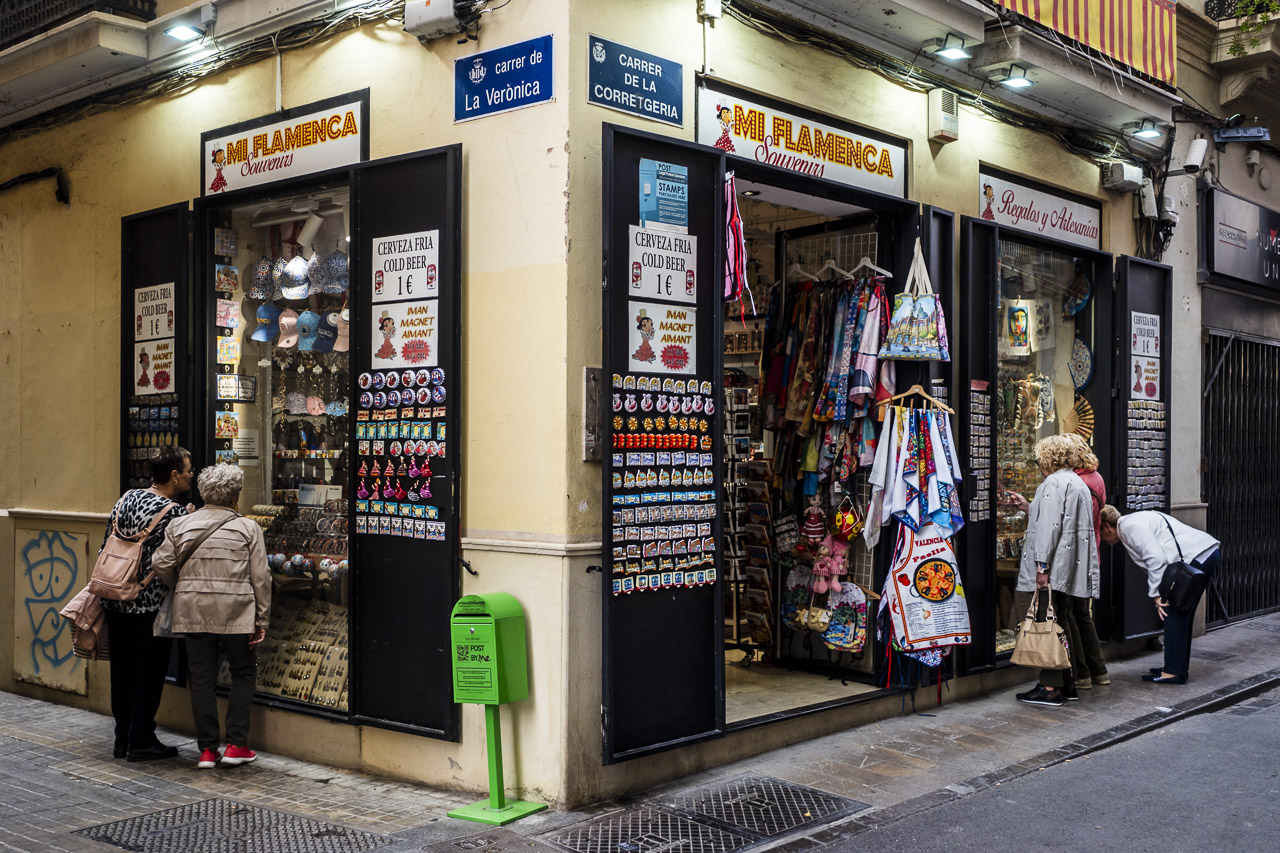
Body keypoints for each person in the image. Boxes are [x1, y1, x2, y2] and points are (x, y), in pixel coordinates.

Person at [153, 463, 271, 769]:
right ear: (235, 496)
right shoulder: (248, 528)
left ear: (203, 491)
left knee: (202, 677)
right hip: (236, 612)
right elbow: (261, 579)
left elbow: (161, 564)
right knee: (243, 672)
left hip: (193, 609)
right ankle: (236, 745)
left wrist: (183, 586)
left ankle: (207, 750)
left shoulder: (181, 525)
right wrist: (262, 619)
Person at [100, 445, 192, 760]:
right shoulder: (175, 512)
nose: (191, 475)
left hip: (114, 599)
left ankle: (121, 738)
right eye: (188, 470)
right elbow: (177, 557)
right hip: (147, 605)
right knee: (148, 673)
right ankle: (141, 739)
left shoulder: (125, 498)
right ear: (175, 475)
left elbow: (107, 542)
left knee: (121, 671)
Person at [1009, 435, 1098, 707]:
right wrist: (1028, 506)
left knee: (1045, 623)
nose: (1037, 464)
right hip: (1069, 568)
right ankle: (1068, 682)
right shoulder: (1076, 483)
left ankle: (1049, 687)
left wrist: (1042, 566)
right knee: (1061, 621)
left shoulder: (1052, 484)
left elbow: (1049, 528)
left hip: (1052, 567)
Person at [1099, 505, 1220, 684]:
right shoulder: (1132, 522)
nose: (1100, 538)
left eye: (1099, 532)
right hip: (1203, 554)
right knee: (1181, 614)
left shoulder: (1128, 527)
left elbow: (1156, 558)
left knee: (1173, 614)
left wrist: (1157, 595)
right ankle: (1175, 668)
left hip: (1194, 557)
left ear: (1107, 526)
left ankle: (1173, 672)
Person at [1064, 434, 1109, 688]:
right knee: (1082, 613)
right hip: (1090, 553)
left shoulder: (1078, 482)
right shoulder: (1096, 477)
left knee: (1070, 613)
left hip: (1076, 557)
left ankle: (1081, 674)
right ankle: (1098, 670)